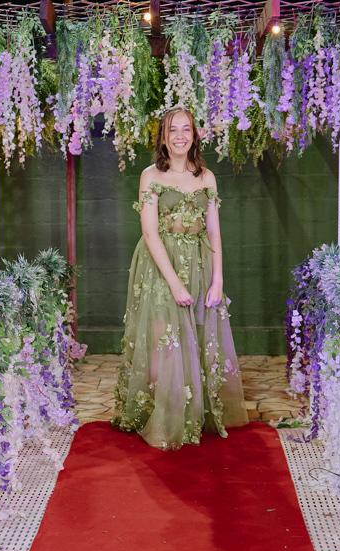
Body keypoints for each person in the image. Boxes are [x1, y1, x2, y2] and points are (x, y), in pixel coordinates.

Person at [112, 107, 249, 450]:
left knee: (196, 339)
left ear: (194, 135)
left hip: (199, 264)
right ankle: (164, 418)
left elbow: (214, 231)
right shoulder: (151, 176)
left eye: (186, 129)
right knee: (164, 341)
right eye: (173, 130)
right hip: (161, 266)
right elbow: (149, 232)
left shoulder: (207, 177)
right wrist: (174, 283)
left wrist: (218, 280)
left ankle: (193, 414)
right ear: (163, 136)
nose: (180, 136)